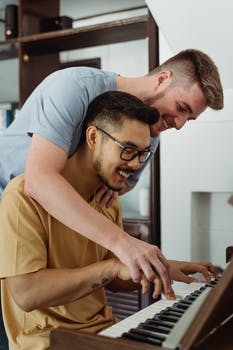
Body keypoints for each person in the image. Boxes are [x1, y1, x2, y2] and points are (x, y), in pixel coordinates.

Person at [0, 91, 218, 350]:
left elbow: (113, 278)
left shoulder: (107, 200)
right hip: (48, 342)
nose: (136, 164)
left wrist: (160, 267)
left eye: (143, 154)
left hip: (105, 333)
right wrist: (113, 267)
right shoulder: (22, 195)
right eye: (128, 150)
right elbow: (27, 294)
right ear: (93, 137)